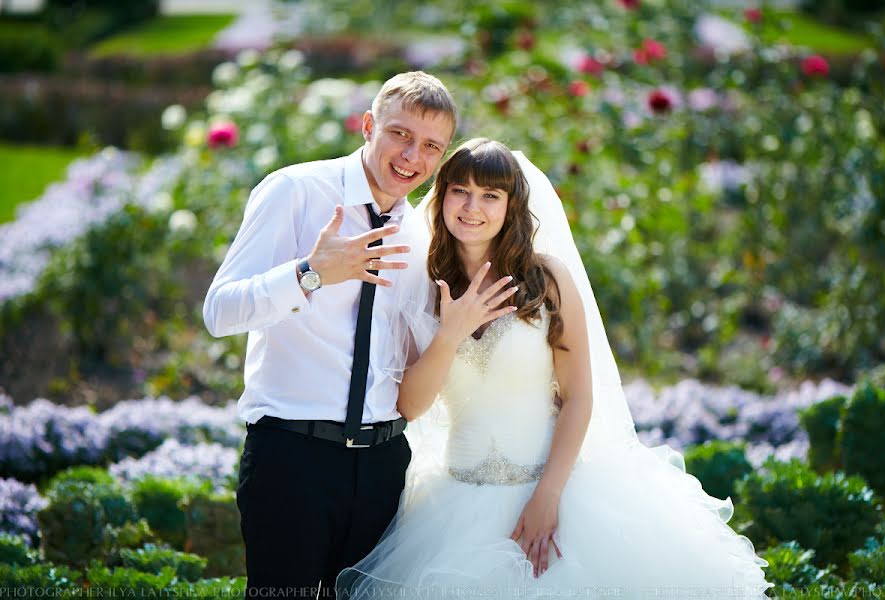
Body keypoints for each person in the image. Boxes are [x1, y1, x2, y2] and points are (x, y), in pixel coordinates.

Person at [337, 139, 774, 598]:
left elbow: (579, 396)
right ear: (441, 196)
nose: (472, 207)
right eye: (460, 191)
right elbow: (409, 404)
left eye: (490, 196)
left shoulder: (546, 282)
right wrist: (449, 333)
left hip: (554, 491)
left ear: (512, 206)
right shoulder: (422, 286)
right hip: (453, 504)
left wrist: (548, 497)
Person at [202, 71, 457, 598]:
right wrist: (311, 274)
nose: (413, 156)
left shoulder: (424, 233)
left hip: (384, 466)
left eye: (431, 146)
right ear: (368, 126)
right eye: (401, 134)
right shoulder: (295, 191)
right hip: (292, 459)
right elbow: (219, 312)